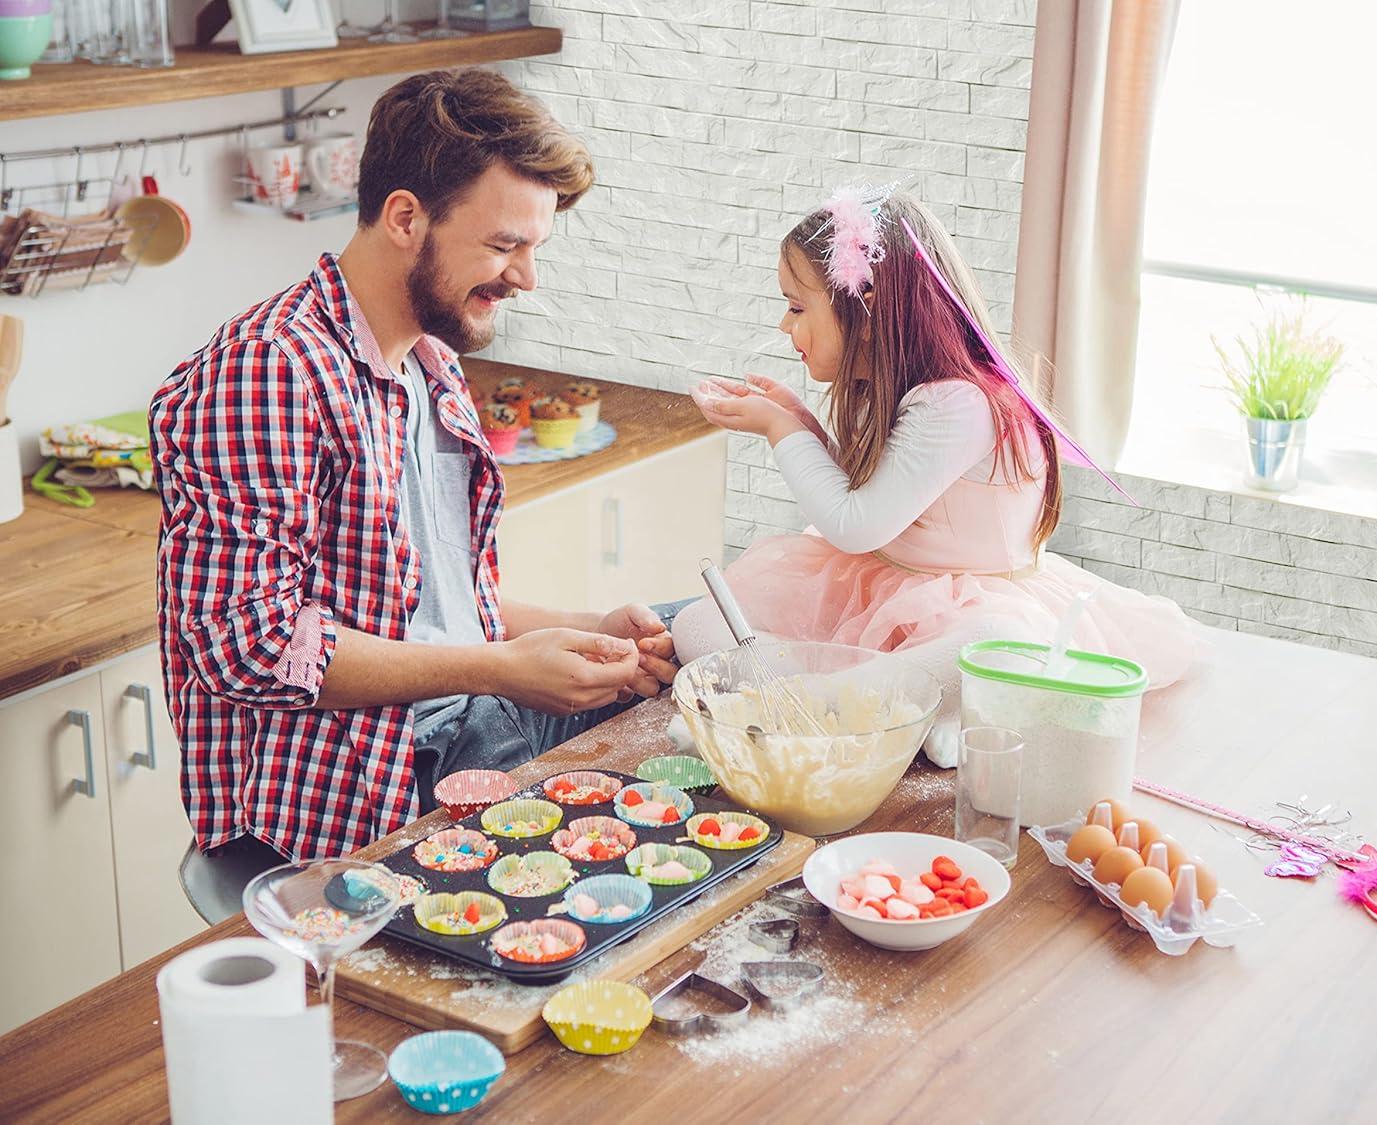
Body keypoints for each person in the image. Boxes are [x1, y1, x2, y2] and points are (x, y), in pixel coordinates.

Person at [151, 69, 678, 917]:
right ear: (406, 217)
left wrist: (579, 628)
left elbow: (429, 600)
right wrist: (501, 669)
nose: (527, 277)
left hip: (462, 735)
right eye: (506, 245)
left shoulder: (430, 363)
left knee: (693, 649)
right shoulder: (270, 372)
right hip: (348, 806)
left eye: (535, 248)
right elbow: (250, 645)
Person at [672, 188, 1200, 765]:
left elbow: (855, 525)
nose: (783, 324)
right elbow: (875, 501)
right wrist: (801, 421)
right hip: (884, 589)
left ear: (866, 311)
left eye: (797, 308)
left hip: (973, 606)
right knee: (700, 623)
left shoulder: (960, 405)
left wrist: (782, 431)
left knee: (998, 645)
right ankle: (891, 709)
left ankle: (814, 703)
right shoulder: (902, 390)